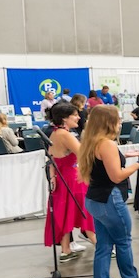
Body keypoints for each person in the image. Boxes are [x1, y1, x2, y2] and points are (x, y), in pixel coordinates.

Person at [78, 106, 139, 278]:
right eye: (117, 119)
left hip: (95, 200)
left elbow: (104, 164)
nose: (120, 123)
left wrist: (127, 155)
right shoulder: (106, 144)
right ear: (109, 122)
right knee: (123, 242)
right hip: (110, 199)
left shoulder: (90, 142)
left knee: (103, 246)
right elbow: (116, 176)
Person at [44, 103, 97, 262]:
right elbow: (83, 155)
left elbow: (51, 159)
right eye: (75, 115)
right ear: (65, 118)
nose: (78, 117)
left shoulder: (54, 134)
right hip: (73, 179)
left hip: (62, 178)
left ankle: (66, 250)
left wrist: (53, 177)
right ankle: (99, 244)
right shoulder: (65, 135)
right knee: (85, 212)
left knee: (65, 212)